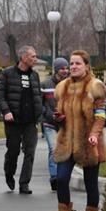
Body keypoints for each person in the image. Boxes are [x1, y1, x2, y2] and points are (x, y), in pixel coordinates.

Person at [50, 50, 106, 211]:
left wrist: (94, 134)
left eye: (77, 64)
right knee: (61, 178)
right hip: (67, 140)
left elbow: (100, 116)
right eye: (71, 64)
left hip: (88, 142)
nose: (73, 67)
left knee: (91, 183)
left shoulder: (95, 87)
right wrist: (58, 118)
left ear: (86, 66)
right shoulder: (62, 87)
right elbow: (59, 114)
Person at [0, 45, 43, 194]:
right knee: (13, 151)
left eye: (35, 56)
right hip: (13, 121)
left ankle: (24, 183)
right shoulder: (7, 74)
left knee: (30, 152)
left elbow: (37, 96)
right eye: (32, 56)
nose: (35, 59)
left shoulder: (35, 75)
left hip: (30, 122)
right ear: (23, 57)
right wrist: (6, 111)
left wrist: (39, 115)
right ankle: (9, 173)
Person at [41, 57, 70, 191]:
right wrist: (48, 115)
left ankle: (62, 175)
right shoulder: (46, 84)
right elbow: (40, 104)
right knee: (53, 149)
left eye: (66, 68)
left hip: (66, 124)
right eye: (62, 68)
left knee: (64, 151)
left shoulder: (71, 84)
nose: (65, 71)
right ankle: (54, 177)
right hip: (50, 123)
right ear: (56, 69)